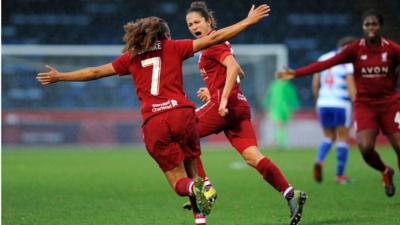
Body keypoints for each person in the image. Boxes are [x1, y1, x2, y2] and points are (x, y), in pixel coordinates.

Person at [36, 4, 270, 223]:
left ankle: (196, 190)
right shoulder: (174, 47)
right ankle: (201, 215)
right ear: (165, 36)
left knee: (179, 180)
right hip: (182, 115)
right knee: (193, 167)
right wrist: (248, 21)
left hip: (154, 122)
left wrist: (60, 76)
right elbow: (216, 37)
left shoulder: (131, 57)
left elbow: (95, 71)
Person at [185, 2, 307, 225]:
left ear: (209, 22)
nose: (193, 27)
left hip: (226, 105)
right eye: (190, 24)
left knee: (183, 134)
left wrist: (220, 98)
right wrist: (213, 90)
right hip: (240, 106)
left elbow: (232, 69)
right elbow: (240, 71)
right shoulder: (217, 44)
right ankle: (290, 193)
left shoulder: (213, 42)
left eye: (197, 22)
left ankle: (206, 188)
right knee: (253, 156)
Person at [276, 9, 400, 197]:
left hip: (390, 103)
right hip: (365, 105)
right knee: (365, 148)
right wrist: (296, 73)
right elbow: (327, 64)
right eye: (367, 24)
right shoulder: (355, 48)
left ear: (380, 26)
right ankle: (385, 171)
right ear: (363, 27)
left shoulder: (391, 48)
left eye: (374, 24)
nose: (371, 27)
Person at [312, 36, 357, 184]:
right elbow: (351, 86)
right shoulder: (348, 62)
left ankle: (319, 160)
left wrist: (319, 99)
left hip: (324, 103)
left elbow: (315, 83)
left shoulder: (323, 58)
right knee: (343, 138)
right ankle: (340, 175)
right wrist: (357, 102)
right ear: (347, 47)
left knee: (328, 137)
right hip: (341, 103)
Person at [262, 79, 299, 149]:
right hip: (279, 108)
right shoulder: (284, 85)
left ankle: (279, 143)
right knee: (280, 126)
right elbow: (292, 98)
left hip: (281, 109)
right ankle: (277, 142)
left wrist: (266, 105)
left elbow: (269, 96)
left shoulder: (278, 85)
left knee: (279, 125)